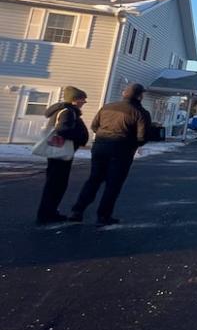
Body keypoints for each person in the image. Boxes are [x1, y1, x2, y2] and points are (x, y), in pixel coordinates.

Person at [69, 82, 151, 227]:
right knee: (113, 184)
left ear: (124, 94)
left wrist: (103, 136)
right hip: (122, 151)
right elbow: (142, 137)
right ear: (139, 96)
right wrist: (133, 143)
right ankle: (103, 215)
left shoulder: (107, 107)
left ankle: (77, 210)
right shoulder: (140, 113)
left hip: (100, 147)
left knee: (94, 179)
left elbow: (94, 126)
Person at [35, 86, 90, 225]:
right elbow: (63, 130)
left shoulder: (65, 110)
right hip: (60, 153)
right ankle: (47, 214)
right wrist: (79, 138)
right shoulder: (67, 112)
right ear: (74, 100)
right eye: (82, 99)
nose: (84, 102)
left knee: (54, 183)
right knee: (56, 184)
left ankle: (49, 212)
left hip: (57, 152)